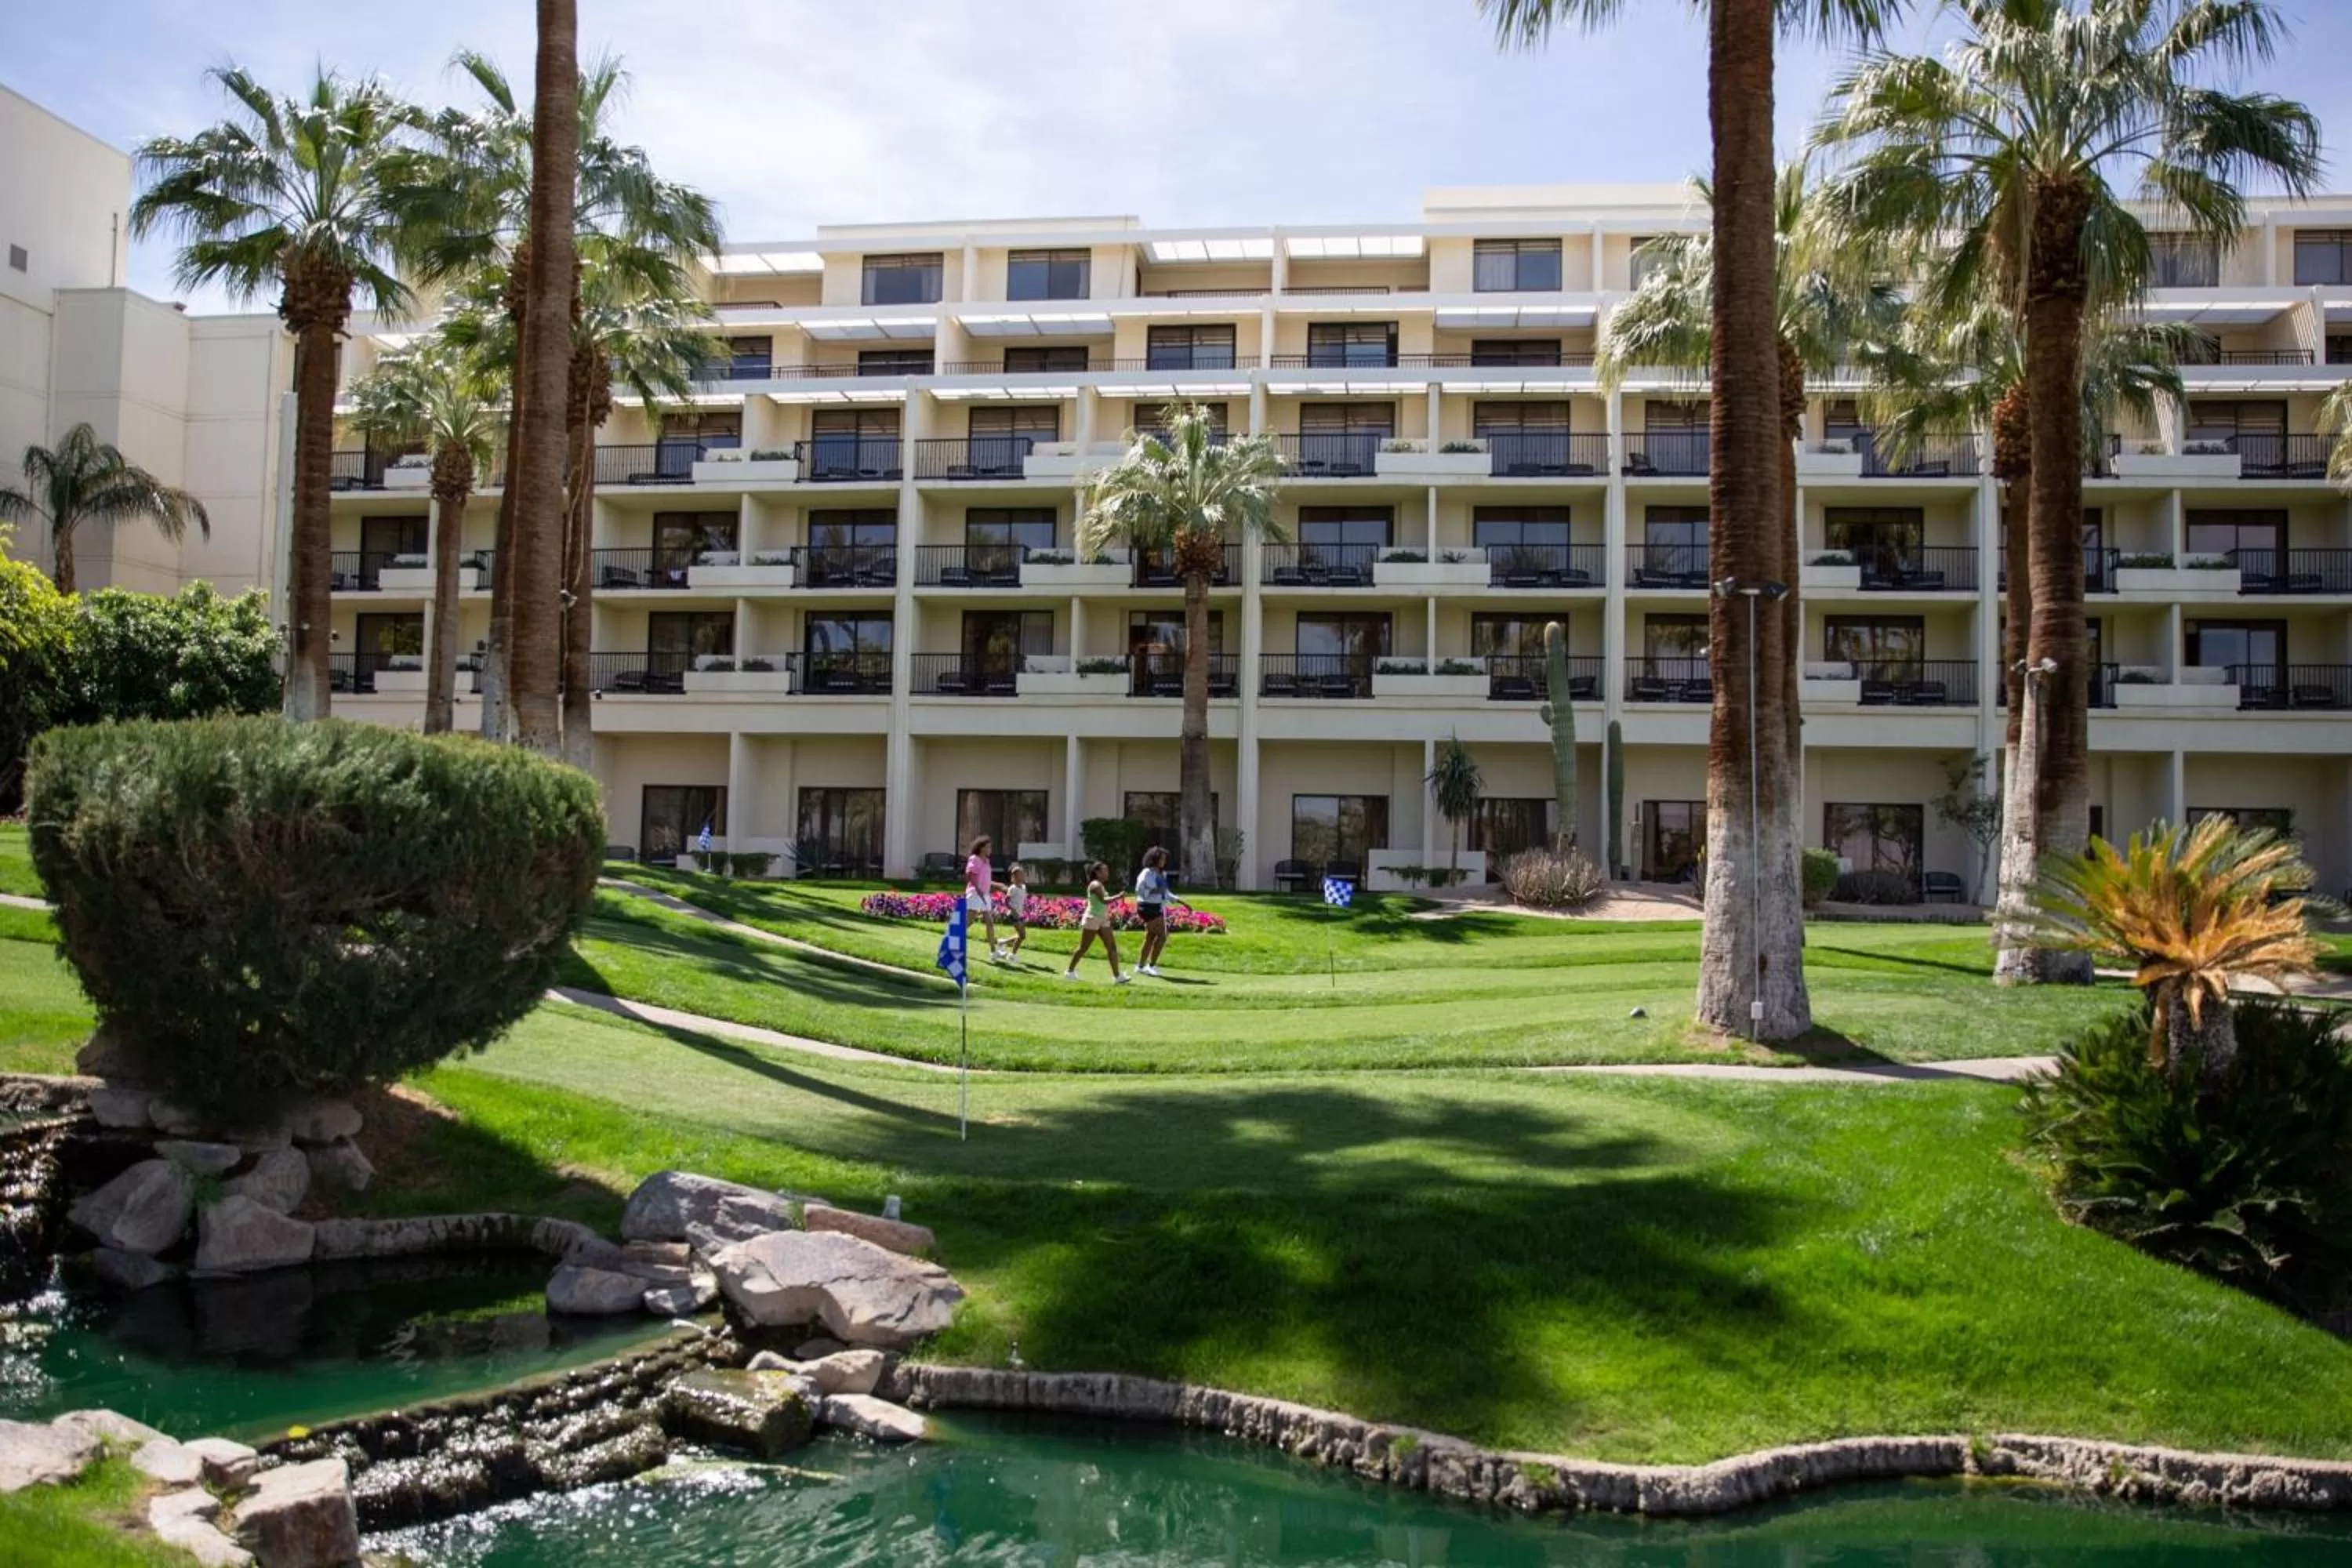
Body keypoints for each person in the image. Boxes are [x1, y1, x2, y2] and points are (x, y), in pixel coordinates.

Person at [1063, 862, 1130, 985]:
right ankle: (1069, 971)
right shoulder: (1095, 885)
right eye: (1104, 871)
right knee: (1084, 947)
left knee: (1112, 947)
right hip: (1092, 919)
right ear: (1097, 873)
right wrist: (1119, 896)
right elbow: (1104, 901)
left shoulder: (1100, 885)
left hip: (1102, 919)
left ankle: (1117, 976)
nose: (1107, 873)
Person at [1132, 845, 1190, 978]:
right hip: (1146, 907)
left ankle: (1140, 966)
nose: (1164, 861)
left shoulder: (1162, 874)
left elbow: (1166, 893)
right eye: (1162, 859)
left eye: (1165, 859)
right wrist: (1153, 891)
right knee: (1162, 936)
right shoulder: (1147, 873)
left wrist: (1181, 902)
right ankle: (1151, 966)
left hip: (1157, 907)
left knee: (1150, 937)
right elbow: (1139, 891)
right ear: (1155, 859)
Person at [964, 836, 1003, 958]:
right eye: (988, 847)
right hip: (975, 894)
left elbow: (985, 880)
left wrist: (998, 885)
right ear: (981, 848)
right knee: (969, 921)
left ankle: (993, 951)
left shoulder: (987, 862)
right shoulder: (974, 859)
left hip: (985, 895)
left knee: (989, 922)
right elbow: (971, 876)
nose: (990, 849)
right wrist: (978, 890)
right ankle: (953, 940)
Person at [1000, 862, 1030, 963]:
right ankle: (1012, 955)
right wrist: (1013, 910)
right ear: (1015, 877)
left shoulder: (1024, 887)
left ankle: (1003, 942)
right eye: (1020, 875)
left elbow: (1022, 900)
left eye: (1023, 874)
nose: (1023, 876)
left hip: (1020, 914)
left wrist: (1025, 909)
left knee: (1022, 936)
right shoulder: (1012, 888)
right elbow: (1006, 901)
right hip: (1013, 915)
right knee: (1022, 936)